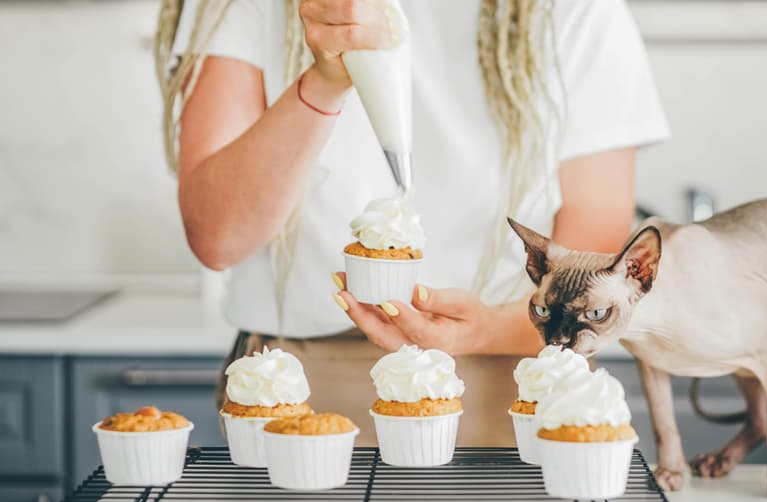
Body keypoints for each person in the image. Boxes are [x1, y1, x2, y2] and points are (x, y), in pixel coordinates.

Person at [155, 0, 669, 445]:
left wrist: (483, 329)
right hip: (296, 385)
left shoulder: (575, 11)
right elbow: (216, 235)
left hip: (522, 385)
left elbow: (594, 276)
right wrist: (326, 79)